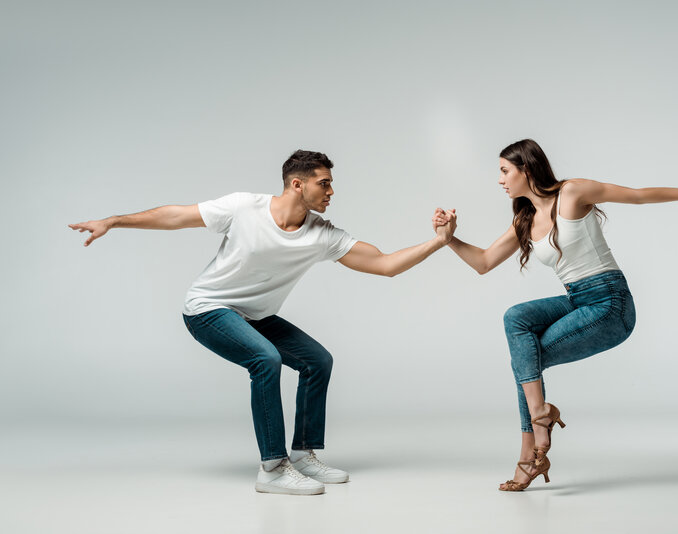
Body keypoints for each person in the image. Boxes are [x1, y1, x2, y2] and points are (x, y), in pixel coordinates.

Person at [69, 149, 456, 495]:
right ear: (297, 184)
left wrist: (438, 242)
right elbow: (175, 216)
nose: (331, 192)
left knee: (317, 360)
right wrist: (113, 221)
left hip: (255, 316)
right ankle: (272, 468)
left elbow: (384, 264)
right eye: (324, 184)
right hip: (208, 309)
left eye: (331, 186)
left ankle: (303, 456)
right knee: (265, 359)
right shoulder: (243, 208)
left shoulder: (321, 235)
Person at [432, 138, 678, 491]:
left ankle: (531, 450)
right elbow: (484, 262)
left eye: (505, 171)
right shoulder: (526, 219)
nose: (500, 180)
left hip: (611, 305)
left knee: (525, 364)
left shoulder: (573, 193)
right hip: (578, 300)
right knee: (516, 319)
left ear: (527, 169)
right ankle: (540, 420)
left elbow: (638, 195)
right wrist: (449, 240)